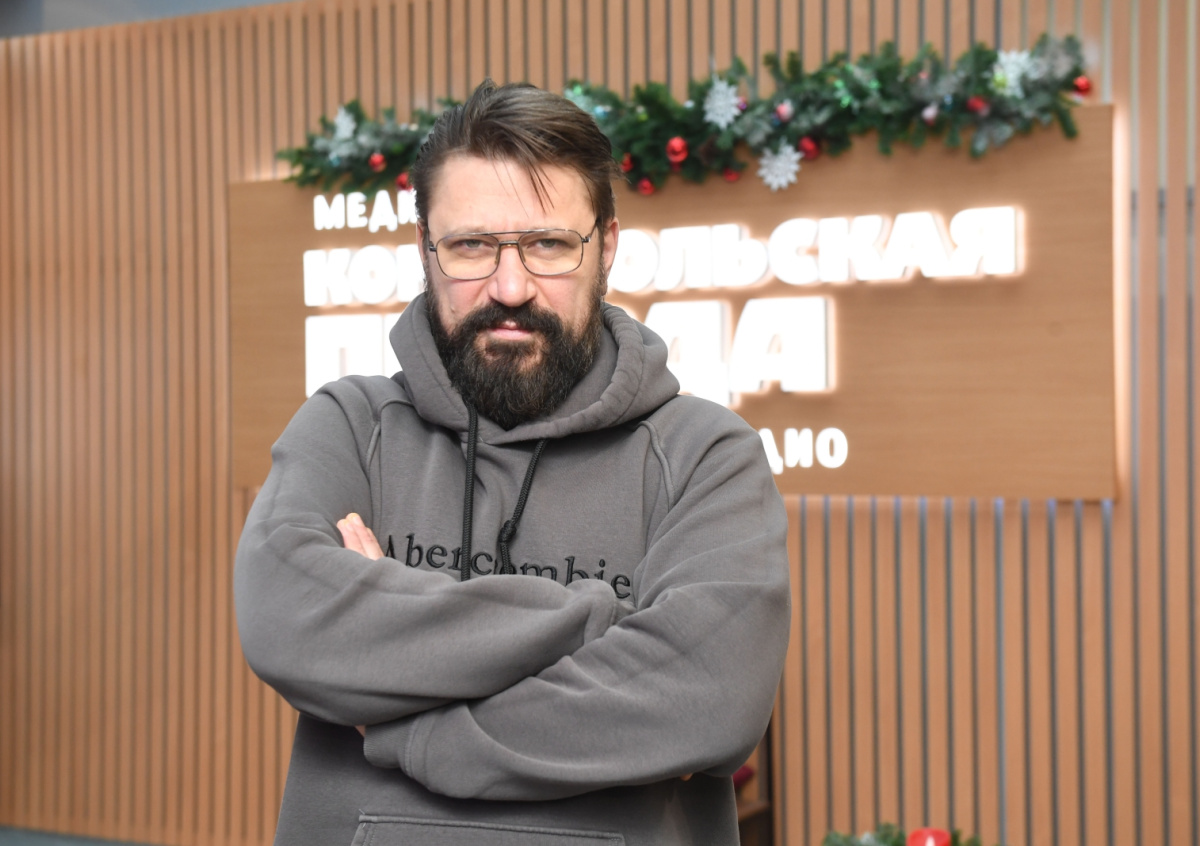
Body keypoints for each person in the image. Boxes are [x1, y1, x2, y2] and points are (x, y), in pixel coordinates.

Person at [234, 79, 791, 846]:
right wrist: (604, 625)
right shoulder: (350, 426)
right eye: (471, 245)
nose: (510, 286)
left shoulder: (706, 455)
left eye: (548, 245)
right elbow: (288, 623)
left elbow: (709, 697)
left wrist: (411, 723)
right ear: (425, 250)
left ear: (606, 248)